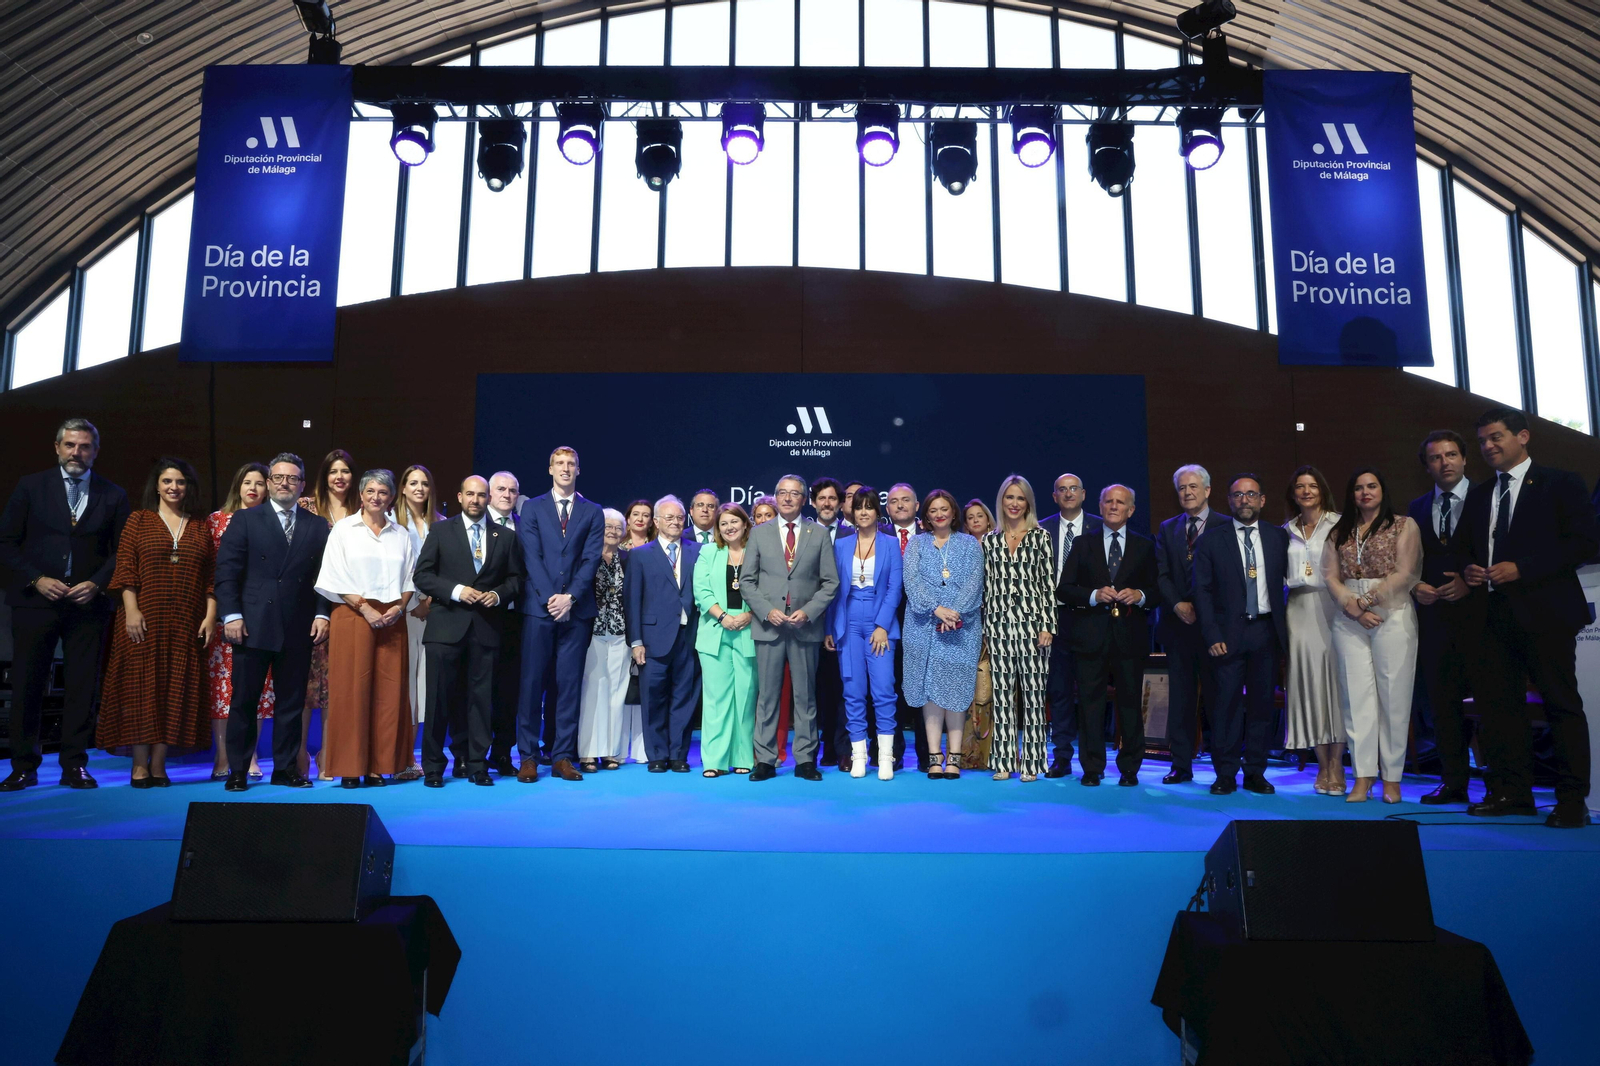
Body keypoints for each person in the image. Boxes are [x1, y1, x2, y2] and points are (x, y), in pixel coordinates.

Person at [1460, 407, 1597, 828]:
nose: (1488, 446)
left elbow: (1584, 543)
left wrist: (1523, 567)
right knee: (1501, 710)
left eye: (1496, 437)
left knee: (1561, 706)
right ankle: (1513, 793)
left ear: (1523, 436)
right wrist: (1469, 569)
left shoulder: (1561, 483)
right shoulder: (1481, 494)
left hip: (1547, 613)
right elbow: (1467, 548)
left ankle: (1572, 800)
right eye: (1483, 440)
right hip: (1492, 617)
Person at [0, 418, 130, 792]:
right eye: (70, 445)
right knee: (28, 684)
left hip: (87, 604)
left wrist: (97, 583)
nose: (77, 452)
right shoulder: (31, 486)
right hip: (35, 601)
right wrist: (36, 579)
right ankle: (23, 765)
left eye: (85, 446)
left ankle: (74, 765)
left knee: (82, 687)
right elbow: (6, 542)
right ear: (57, 447)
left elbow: (122, 550)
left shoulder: (113, 494)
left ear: (95, 451)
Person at [214, 451, 332, 792]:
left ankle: (284, 770)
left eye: (292, 478)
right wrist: (231, 615)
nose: (285, 483)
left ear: (302, 485)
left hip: (298, 625)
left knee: (291, 704)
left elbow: (324, 576)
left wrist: (323, 612)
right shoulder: (246, 519)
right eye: (278, 478)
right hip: (251, 624)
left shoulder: (316, 524)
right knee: (244, 702)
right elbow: (226, 573)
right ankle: (238, 769)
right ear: (268, 483)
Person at [96, 457, 216, 786]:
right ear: (157, 486)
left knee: (172, 691)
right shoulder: (139, 520)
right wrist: (131, 610)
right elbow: (125, 570)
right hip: (142, 621)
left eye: (180, 482)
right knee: (141, 689)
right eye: (167, 481)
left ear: (188, 487)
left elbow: (211, 579)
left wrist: (209, 617)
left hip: (186, 623)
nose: (173, 487)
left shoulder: (200, 526)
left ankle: (160, 764)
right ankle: (139, 765)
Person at [413, 475, 523, 787]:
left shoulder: (506, 537)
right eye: (470, 494)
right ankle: (433, 767)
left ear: (489, 499)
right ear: (460, 497)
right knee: (438, 701)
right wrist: (457, 590)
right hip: (445, 628)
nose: (476, 500)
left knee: (481, 702)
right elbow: (423, 575)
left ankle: (478, 766)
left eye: (481, 495)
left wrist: (499, 594)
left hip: (487, 629)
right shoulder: (440, 530)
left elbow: (516, 579)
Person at [1324, 468, 1422, 804]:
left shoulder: (1403, 524)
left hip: (1391, 612)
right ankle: (1363, 777)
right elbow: (1330, 575)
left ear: (1382, 489)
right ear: (1351, 494)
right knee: (1356, 699)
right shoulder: (1339, 531)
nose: (1365, 493)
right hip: (1348, 615)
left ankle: (1392, 779)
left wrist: (1370, 601)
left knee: (1394, 697)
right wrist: (1353, 606)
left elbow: (1407, 571)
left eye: (1372, 486)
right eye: (1358, 488)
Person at [314, 469, 417, 788]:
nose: (376, 497)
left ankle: (378, 767)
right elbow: (333, 574)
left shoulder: (401, 533)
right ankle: (349, 767)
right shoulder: (344, 530)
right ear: (361, 495)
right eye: (370, 491)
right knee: (351, 692)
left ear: (391, 497)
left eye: (383, 492)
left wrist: (399, 607)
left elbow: (411, 577)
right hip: (353, 614)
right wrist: (365, 607)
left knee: (389, 694)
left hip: (392, 619)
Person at [1057, 485, 1159, 786]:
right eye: (1109, 502)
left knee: (1130, 704)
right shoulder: (1082, 543)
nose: (1114, 506)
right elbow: (1064, 588)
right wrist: (1093, 595)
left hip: (1130, 638)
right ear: (1100, 507)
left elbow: (1157, 590)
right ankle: (1092, 768)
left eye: (1120, 502)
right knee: (1090, 704)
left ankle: (1130, 769)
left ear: (1131, 510)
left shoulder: (1145, 545)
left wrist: (1139, 595)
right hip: (1090, 637)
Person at [1195, 474, 1289, 795]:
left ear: (1262, 500)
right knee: (1225, 706)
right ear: (1229, 501)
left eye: (1251, 495)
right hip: (1226, 635)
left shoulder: (1279, 538)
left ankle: (1255, 773)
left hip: (1266, 632)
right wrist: (1211, 635)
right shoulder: (1211, 540)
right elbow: (1202, 593)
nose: (1244, 500)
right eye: (1238, 495)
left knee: (1262, 706)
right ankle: (1225, 774)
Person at [742, 474, 841, 781]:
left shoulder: (819, 534)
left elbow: (830, 583)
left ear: (803, 499)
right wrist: (766, 611)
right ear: (775, 497)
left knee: (805, 696)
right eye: (782, 493)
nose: (787, 498)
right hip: (769, 626)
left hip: (804, 627)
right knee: (767, 696)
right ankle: (766, 760)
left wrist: (809, 612)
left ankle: (805, 760)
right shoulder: (759, 533)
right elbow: (747, 581)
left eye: (794, 494)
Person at [515, 446, 605, 783]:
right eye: (560, 464)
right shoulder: (533, 508)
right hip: (538, 610)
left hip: (577, 611)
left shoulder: (593, 511)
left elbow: (590, 559)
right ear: (550, 468)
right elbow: (531, 557)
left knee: (568, 687)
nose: (566, 469)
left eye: (571, 464)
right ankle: (528, 756)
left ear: (578, 470)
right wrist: (551, 597)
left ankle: (562, 755)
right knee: (531, 685)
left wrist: (569, 597)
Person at [1408, 431, 1479, 804]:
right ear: (1427, 466)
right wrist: (1415, 585)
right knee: (1442, 705)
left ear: (1465, 459)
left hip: (1485, 619)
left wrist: (1471, 584)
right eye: (1436, 458)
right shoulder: (1416, 508)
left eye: (1452, 454)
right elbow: (1408, 564)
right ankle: (1453, 782)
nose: (1445, 462)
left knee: (1493, 704)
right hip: (1434, 620)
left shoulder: (1488, 497)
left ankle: (1505, 785)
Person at [1153, 464, 1230, 785]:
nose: (1187, 492)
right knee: (1182, 701)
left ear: (1208, 490)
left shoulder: (1226, 526)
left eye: (1193, 487)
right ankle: (1180, 766)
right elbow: (1162, 574)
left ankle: (1224, 770)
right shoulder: (1168, 528)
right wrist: (1177, 604)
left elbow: (1229, 579)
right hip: (1178, 628)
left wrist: (1203, 609)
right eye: (1182, 488)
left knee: (1219, 701)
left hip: (1215, 629)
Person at [902, 490, 984, 778]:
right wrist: (936, 610)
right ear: (925, 515)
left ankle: (955, 757)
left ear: (953, 513)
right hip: (923, 627)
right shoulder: (916, 544)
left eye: (944, 509)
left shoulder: (970, 545)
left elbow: (975, 583)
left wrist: (954, 613)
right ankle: (935, 757)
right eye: (933, 509)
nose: (939, 514)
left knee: (957, 691)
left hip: (963, 628)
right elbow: (911, 583)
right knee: (930, 692)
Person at [826, 487, 904, 779]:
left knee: (884, 690)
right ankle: (859, 755)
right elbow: (834, 592)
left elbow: (895, 588)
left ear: (876, 512)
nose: (863, 512)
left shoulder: (890, 544)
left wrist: (883, 625)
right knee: (853, 692)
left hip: (879, 622)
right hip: (848, 624)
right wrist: (831, 628)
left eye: (869, 507)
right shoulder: (842, 545)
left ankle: (885, 756)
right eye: (859, 507)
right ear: (852, 513)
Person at [983, 475, 1056, 781]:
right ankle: (1003, 761)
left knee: (1034, 697)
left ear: (1028, 503)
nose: (1014, 503)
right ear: (1001, 501)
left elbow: (1048, 585)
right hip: (999, 627)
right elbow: (986, 588)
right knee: (1002, 697)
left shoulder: (1041, 538)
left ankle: (1034, 763)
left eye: (1020, 498)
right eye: (1009, 497)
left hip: (1033, 627)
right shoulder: (989, 540)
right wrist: (987, 626)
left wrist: (1047, 625)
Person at [205, 462, 274, 778]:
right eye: (248, 482)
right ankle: (223, 757)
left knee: (257, 689)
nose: (253, 488)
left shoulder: (276, 521)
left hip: (263, 616)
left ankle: (251, 756)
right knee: (224, 690)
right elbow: (212, 573)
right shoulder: (216, 521)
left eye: (260, 483)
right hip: (225, 616)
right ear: (238, 485)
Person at [1282, 465, 1346, 795]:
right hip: (1297, 611)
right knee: (1309, 688)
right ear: (1292, 494)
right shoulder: (1285, 530)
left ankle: (1338, 763)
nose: (1307, 491)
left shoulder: (1339, 524)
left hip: (1334, 608)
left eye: (1312, 486)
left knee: (1336, 687)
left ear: (1322, 489)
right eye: (1300, 487)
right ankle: (1323, 764)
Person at [625, 496, 701, 772]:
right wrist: (636, 641)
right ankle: (657, 755)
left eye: (680, 517)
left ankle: (678, 755)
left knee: (684, 698)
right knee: (654, 697)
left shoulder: (698, 551)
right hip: (653, 638)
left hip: (690, 637)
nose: (675, 522)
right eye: (669, 518)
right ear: (656, 522)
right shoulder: (640, 555)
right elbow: (632, 601)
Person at [1037, 472, 1102, 778]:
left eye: (1073, 488)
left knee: (1090, 692)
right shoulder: (1041, 529)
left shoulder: (1100, 527)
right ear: (1054, 496)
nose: (1068, 493)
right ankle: (1062, 756)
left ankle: (1092, 760)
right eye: (1061, 489)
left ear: (1084, 493)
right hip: (1053, 619)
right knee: (1059, 691)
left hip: (1091, 617)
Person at [297, 448, 357, 779]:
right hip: (309, 605)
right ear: (324, 475)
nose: (339, 477)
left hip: (348, 606)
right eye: (334, 471)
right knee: (307, 684)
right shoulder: (307, 506)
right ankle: (300, 752)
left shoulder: (361, 510)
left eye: (345, 471)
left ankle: (329, 752)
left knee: (337, 684)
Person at [693, 503, 757, 776]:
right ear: (717, 529)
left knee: (745, 697)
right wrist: (723, 618)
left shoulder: (757, 552)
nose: (729, 527)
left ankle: (743, 757)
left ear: (745, 524)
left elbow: (769, 589)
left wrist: (751, 614)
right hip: (715, 631)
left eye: (734, 522)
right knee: (717, 699)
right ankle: (715, 762)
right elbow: (701, 590)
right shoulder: (708, 552)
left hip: (750, 630)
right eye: (723, 524)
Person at [394, 464, 444, 781]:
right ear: (402, 488)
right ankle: (403, 755)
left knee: (428, 689)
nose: (419, 488)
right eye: (413, 483)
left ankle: (425, 755)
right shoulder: (390, 524)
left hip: (435, 613)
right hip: (402, 614)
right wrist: (412, 603)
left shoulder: (441, 524)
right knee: (405, 689)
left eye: (424, 483)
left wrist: (428, 602)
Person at [578, 509, 632, 772]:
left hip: (621, 634)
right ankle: (587, 752)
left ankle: (611, 752)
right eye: (607, 526)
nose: (612, 531)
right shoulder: (586, 556)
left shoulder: (629, 559)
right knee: (592, 692)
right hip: (592, 633)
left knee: (616, 694)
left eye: (617, 527)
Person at [884, 481, 928, 770]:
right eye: (894, 501)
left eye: (906, 500)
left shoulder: (931, 536)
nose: (900, 505)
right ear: (886, 508)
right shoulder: (877, 536)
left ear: (916, 506)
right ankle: (892, 752)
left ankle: (928, 754)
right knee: (890, 686)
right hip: (886, 623)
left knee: (923, 687)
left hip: (924, 621)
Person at [485, 470, 523, 775]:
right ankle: (470, 754)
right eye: (501, 489)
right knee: (476, 689)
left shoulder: (526, 527)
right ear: (489, 493)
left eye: (512, 491)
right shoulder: (472, 525)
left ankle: (501, 753)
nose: (507, 495)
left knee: (509, 691)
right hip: (478, 617)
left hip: (514, 618)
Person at [811, 476, 848, 768]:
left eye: (832, 498)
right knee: (816, 690)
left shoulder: (852, 535)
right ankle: (815, 747)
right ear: (812, 502)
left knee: (843, 689)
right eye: (821, 498)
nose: (827, 503)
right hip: (808, 623)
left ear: (840, 503)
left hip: (845, 624)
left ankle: (841, 749)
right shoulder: (803, 534)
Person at [960, 499, 995, 770]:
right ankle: (966, 751)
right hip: (968, 624)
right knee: (968, 688)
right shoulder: (960, 547)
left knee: (990, 688)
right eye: (970, 517)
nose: (975, 520)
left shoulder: (999, 544)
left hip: (995, 624)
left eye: (979, 515)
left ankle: (991, 750)